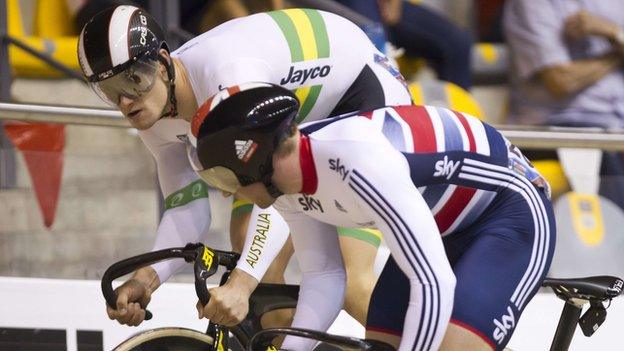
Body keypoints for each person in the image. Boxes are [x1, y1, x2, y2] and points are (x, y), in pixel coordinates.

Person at [77, 5, 412, 327]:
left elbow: (275, 185)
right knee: (257, 265)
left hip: (360, 95)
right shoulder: (155, 117)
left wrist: (240, 284)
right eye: (109, 90)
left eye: (134, 80)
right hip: (298, 122)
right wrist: (146, 279)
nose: (125, 101)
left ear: (163, 62)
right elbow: (186, 211)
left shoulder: (227, 75)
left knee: (351, 282)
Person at [191, 83, 556, 350]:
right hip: (442, 224)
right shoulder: (284, 182)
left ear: (254, 160)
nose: (224, 191)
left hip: (509, 213)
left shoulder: (356, 161)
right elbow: (326, 273)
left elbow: (433, 283)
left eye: (222, 177)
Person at [504, 0, 624, 210]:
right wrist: (618, 54)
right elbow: (561, 80)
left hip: (615, 124)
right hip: (556, 127)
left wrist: (615, 32)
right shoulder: (532, 4)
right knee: (603, 159)